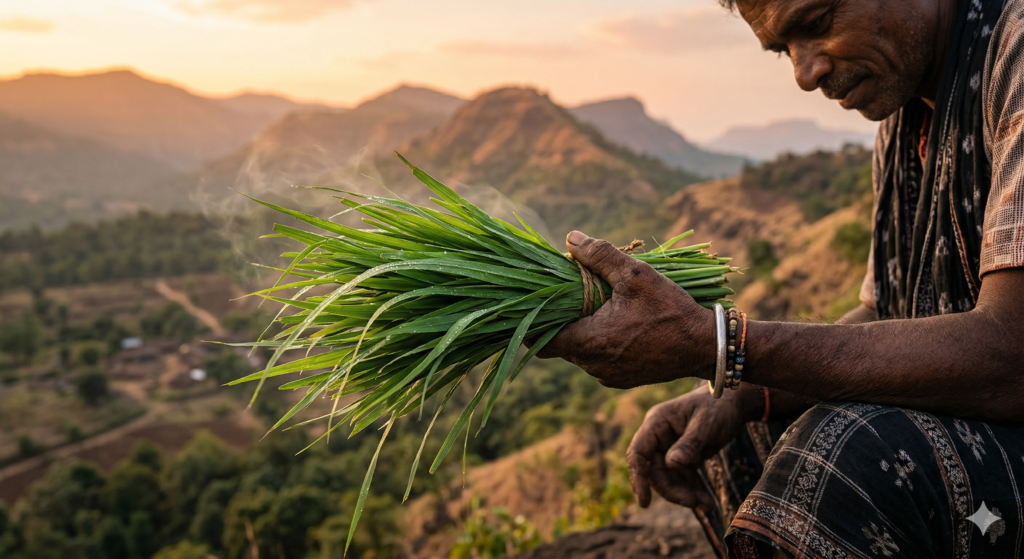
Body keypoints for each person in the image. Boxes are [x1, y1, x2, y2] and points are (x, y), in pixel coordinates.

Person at [537, 0, 1024, 557]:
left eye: (816, 25)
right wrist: (739, 391)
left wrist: (722, 344)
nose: (805, 73)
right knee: (729, 424)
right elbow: (882, 312)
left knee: (848, 457)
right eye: (783, 50)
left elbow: (1014, 351)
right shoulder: (903, 116)